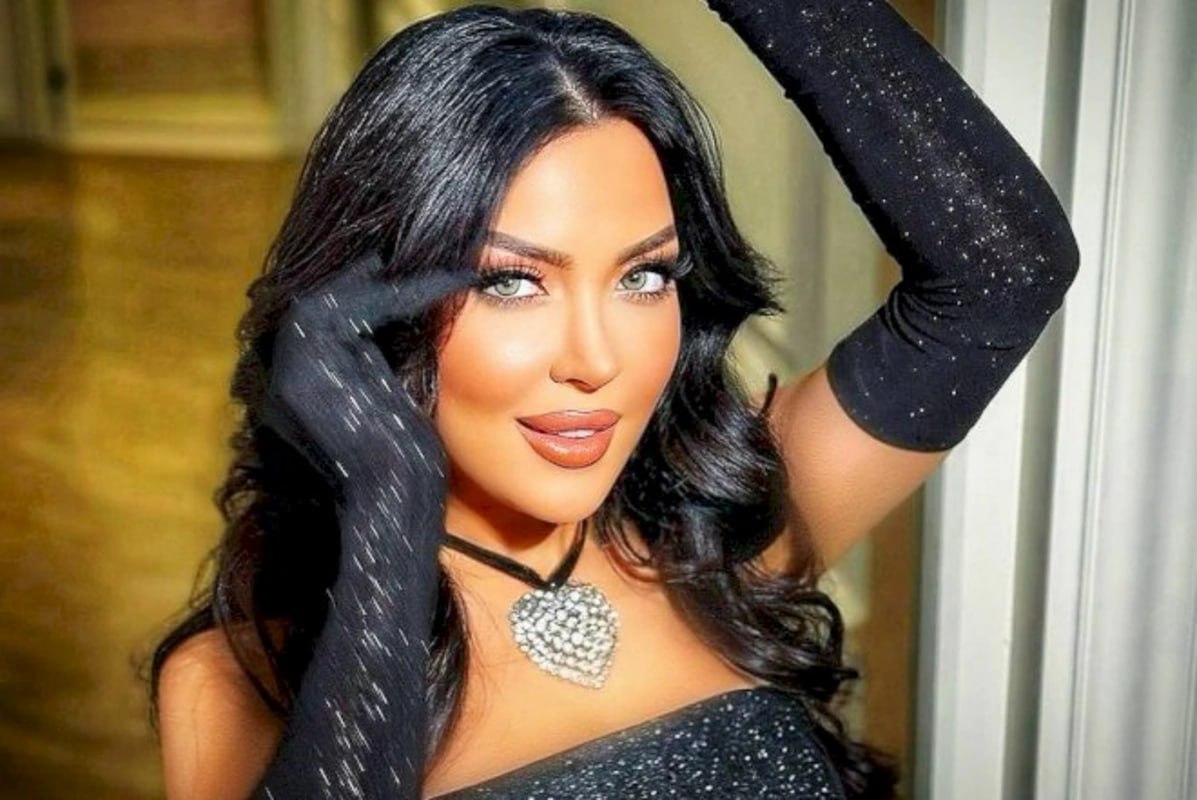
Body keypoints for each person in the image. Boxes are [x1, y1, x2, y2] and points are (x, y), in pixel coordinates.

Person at [146, 0, 1080, 798]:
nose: (597, 362)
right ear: (364, 308)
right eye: (510, 282)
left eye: (643, 277)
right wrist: (391, 508)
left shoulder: (721, 535)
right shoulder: (239, 679)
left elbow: (1004, 271)